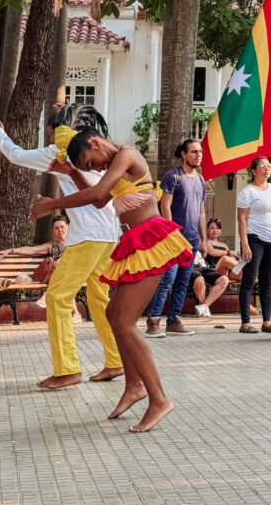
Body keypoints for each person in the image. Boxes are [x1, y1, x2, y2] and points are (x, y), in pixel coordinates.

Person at [31, 129, 193, 432]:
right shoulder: (115, 165)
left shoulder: (127, 155)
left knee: (125, 323)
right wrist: (72, 172)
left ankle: (158, 399)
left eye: (91, 163)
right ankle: (134, 386)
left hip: (153, 241)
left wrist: (50, 204)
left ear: (96, 143)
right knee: (112, 314)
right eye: (90, 168)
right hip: (135, 242)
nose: (94, 169)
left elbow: (94, 194)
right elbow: (99, 200)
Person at [0, 106, 123, 388]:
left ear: (52, 131)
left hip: (87, 236)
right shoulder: (95, 143)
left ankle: (68, 369)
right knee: (99, 299)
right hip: (111, 235)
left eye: (49, 132)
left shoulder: (59, 152)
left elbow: (15, 155)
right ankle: (115, 361)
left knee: (58, 298)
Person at [145, 139, 209, 338]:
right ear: (183, 154)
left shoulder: (200, 180)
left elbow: (201, 212)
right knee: (168, 280)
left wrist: (203, 239)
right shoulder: (173, 176)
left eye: (200, 152)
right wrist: (172, 234)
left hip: (192, 240)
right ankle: (153, 322)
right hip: (174, 240)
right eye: (193, 151)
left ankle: (174, 321)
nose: (198, 155)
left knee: (182, 281)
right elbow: (165, 206)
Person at [237, 156, 271, 334]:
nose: (266, 169)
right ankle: (245, 322)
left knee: (266, 281)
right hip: (254, 239)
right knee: (248, 281)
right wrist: (245, 245)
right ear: (254, 171)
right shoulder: (247, 192)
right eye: (262, 166)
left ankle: (267, 321)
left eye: (268, 166)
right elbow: (241, 219)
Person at [190, 250, 230, 318]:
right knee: (200, 279)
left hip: (203, 267)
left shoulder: (200, 242)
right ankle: (203, 309)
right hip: (190, 267)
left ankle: (204, 307)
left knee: (224, 279)